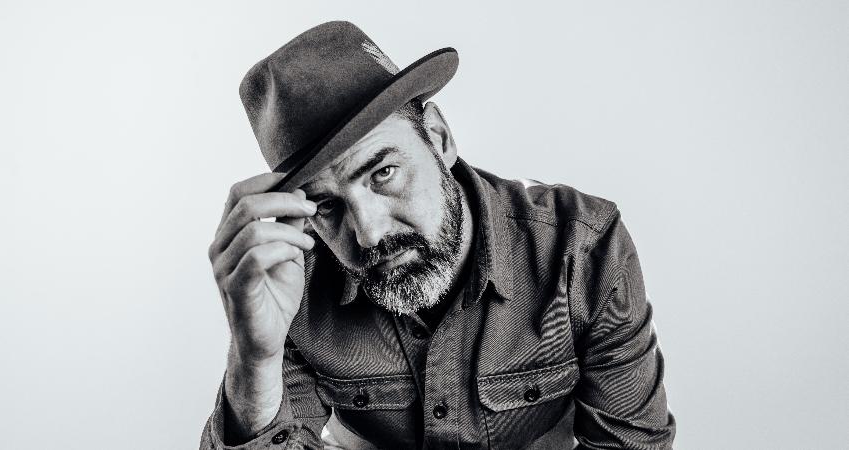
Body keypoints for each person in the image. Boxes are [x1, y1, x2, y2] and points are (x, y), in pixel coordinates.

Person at [199, 21, 675, 450]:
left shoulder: (581, 251)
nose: (368, 234)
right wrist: (254, 358)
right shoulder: (290, 284)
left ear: (439, 138)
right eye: (326, 205)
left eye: (383, 173)